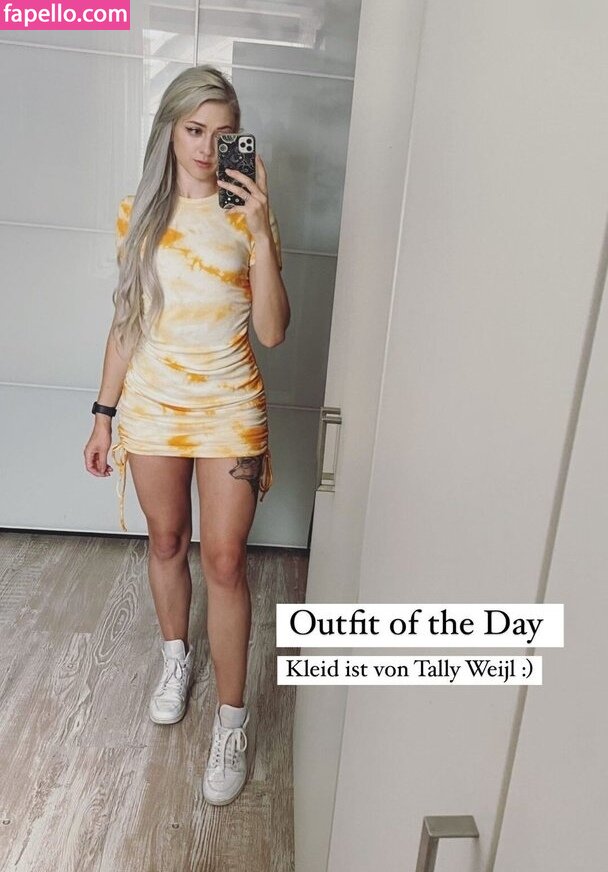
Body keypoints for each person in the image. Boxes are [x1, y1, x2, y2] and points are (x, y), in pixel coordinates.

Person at [83, 64, 290, 806]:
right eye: (194, 129)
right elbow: (127, 321)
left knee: (226, 562)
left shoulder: (249, 214)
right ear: (169, 130)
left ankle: (232, 722)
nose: (206, 147)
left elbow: (274, 330)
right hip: (154, 406)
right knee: (166, 540)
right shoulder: (136, 213)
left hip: (229, 405)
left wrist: (260, 232)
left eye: (221, 133)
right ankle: (176, 656)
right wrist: (103, 413)